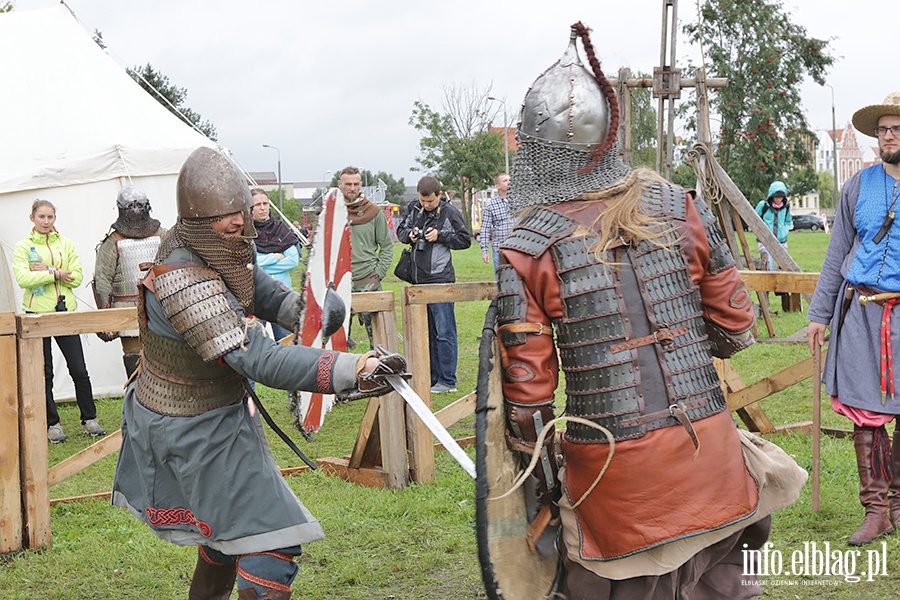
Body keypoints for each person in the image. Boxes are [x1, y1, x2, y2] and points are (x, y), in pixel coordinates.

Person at [493, 24, 805, 599]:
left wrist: (538, 482)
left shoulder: (526, 247)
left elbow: (528, 402)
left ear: (535, 152)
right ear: (607, 141)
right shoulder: (676, 202)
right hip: (710, 452)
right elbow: (737, 330)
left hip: (621, 481)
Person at [111, 147, 406, 600]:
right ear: (197, 219)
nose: (239, 225)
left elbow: (263, 292)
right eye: (227, 217)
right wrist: (352, 369)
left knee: (227, 539)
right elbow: (258, 359)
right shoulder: (181, 279)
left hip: (214, 413)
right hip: (186, 426)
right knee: (273, 541)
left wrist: (306, 312)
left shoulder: (220, 246)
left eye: (241, 214)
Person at [808, 91, 900, 546]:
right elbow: (836, 253)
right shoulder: (858, 186)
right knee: (866, 414)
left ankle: (899, 503)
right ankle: (876, 510)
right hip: (861, 311)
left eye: (896, 128)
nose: (889, 135)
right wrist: (818, 316)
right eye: (883, 129)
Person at [13, 200, 106, 443]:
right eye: (41, 216)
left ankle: (90, 419)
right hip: (37, 316)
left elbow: (76, 277)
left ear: (55, 218)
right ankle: (52, 424)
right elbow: (23, 278)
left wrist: (44, 271)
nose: (46, 221)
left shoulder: (66, 244)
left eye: (50, 217)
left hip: (65, 314)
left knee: (78, 369)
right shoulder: (23, 246)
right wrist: (56, 273)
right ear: (31, 217)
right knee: (44, 373)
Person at [396, 176, 471, 393]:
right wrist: (409, 235)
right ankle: (431, 377)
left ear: (439, 195)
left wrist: (441, 236)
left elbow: (465, 240)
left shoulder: (449, 212)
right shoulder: (414, 209)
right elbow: (401, 232)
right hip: (418, 279)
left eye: (430, 201)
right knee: (425, 332)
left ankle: (447, 380)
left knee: (444, 331)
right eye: (423, 201)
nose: (426, 205)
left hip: (440, 279)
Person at [92, 185, 166, 379]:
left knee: (163, 356)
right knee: (134, 358)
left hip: (159, 304)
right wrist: (106, 319)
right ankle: (136, 400)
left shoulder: (162, 235)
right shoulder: (113, 242)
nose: (136, 210)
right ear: (122, 208)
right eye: (131, 205)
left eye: (140, 205)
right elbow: (102, 279)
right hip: (126, 309)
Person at [337, 166, 394, 348]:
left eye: (355, 184)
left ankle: (378, 375)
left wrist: (377, 275)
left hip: (368, 280)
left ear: (361, 185)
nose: (352, 188)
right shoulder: (331, 213)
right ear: (340, 185)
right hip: (339, 283)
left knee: (378, 340)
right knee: (338, 340)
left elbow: (386, 246)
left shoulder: (374, 212)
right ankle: (339, 376)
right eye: (348, 184)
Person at [250, 187, 301, 342]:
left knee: (288, 344)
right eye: (258, 204)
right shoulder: (245, 232)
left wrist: (261, 265)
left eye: (265, 203)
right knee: (255, 345)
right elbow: (250, 263)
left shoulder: (279, 229)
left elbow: (293, 260)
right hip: (256, 298)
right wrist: (275, 257)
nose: (263, 207)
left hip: (282, 296)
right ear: (250, 208)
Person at [479, 172, 513, 274]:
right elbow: (485, 229)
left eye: (509, 180)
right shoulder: (491, 205)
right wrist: (485, 251)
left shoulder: (519, 202)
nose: (509, 183)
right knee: (501, 282)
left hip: (517, 248)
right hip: (499, 250)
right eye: (505, 181)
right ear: (498, 186)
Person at [755, 180, 792, 270]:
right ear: (771, 196)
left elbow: (788, 221)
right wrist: (761, 232)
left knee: (785, 266)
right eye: (776, 197)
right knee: (769, 266)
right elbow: (754, 219)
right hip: (765, 241)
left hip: (782, 241)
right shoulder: (763, 205)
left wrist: (784, 232)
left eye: (781, 197)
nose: (779, 200)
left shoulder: (786, 206)